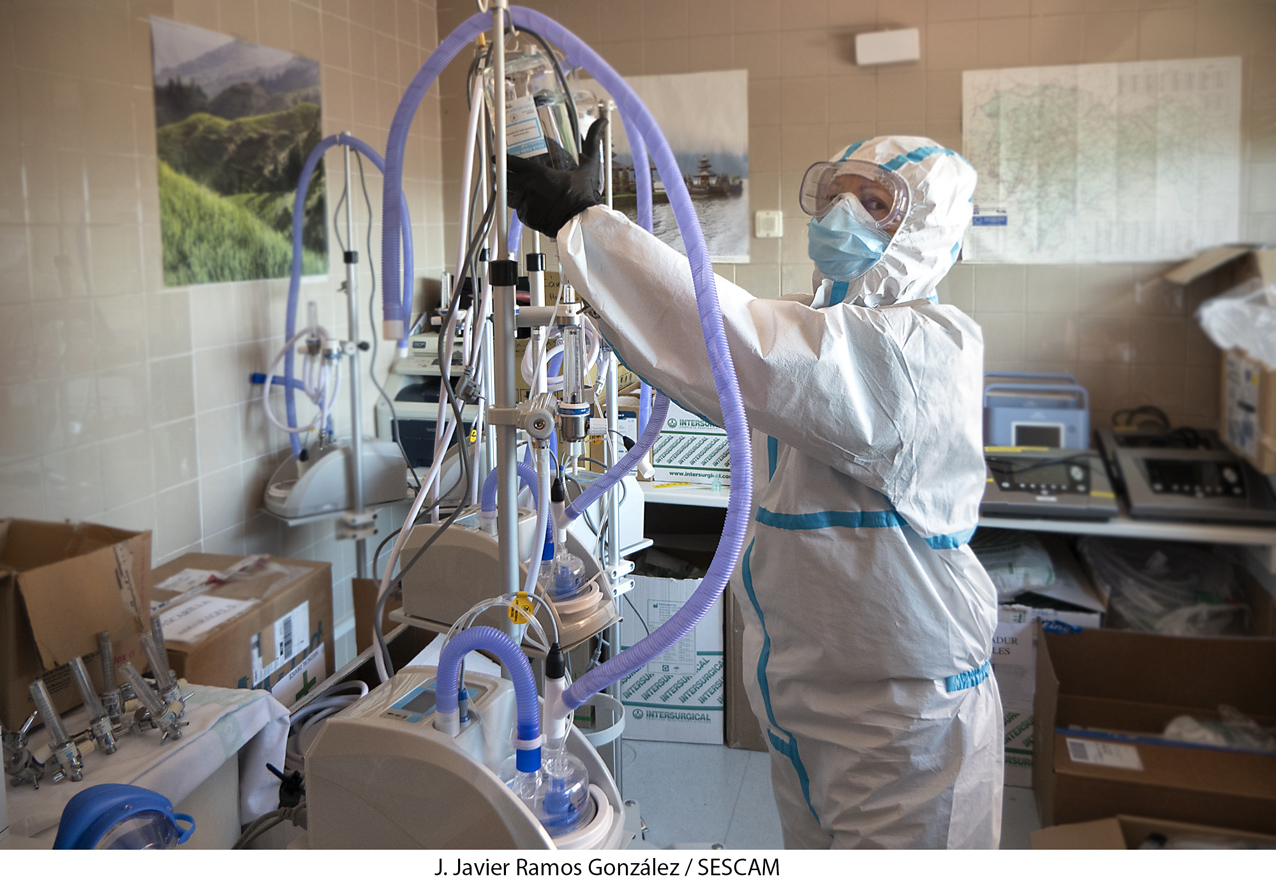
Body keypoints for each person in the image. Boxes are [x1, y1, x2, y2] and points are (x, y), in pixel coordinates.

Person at [507, 123, 1003, 849]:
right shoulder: (824, 325)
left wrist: (587, 226)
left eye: (875, 203)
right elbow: (707, 343)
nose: (842, 216)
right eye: (834, 194)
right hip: (810, 701)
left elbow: (741, 349)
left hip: (904, 720)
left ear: (936, 237)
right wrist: (599, 274)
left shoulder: (923, 348)